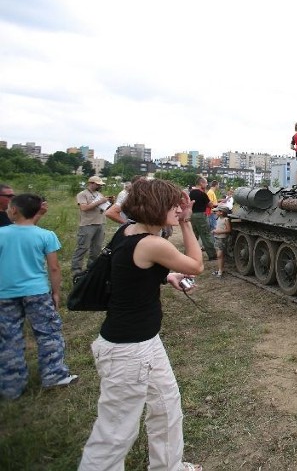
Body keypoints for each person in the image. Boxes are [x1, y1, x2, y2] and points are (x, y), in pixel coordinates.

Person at [78, 179, 203, 470]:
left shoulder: (128, 231)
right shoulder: (152, 242)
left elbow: (128, 270)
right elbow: (196, 265)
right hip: (128, 351)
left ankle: (169, 466)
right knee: (115, 434)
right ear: (156, 206)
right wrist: (186, 223)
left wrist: (165, 276)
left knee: (166, 406)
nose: (178, 208)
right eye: (173, 204)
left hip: (145, 342)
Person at [0, 194, 77, 400]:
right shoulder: (46, 235)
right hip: (37, 291)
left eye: (9, 207)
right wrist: (56, 292)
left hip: (5, 294)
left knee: (9, 337)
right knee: (48, 333)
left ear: (14, 210)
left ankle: (11, 385)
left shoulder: (1, 234)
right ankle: (54, 374)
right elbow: (54, 267)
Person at [72, 176, 110, 277]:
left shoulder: (99, 194)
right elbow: (83, 208)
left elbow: (103, 208)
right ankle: (76, 269)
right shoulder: (82, 194)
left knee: (96, 248)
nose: (99, 186)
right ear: (91, 183)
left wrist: (109, 202)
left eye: (100, 185)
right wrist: (99, 202)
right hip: (87, 224)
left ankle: (91, 268)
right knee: (83, 247)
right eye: (98, 184)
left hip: (100, 223)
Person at [189, 176, 217, 261]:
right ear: (201, 183)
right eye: (205, 183)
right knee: (206, 235)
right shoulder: (202, 193)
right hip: (201, 215)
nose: (207, 184)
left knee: (193, 235)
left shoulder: (191, 193)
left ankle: (189, 254)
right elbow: (210, 205)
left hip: (192, 215)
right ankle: (212, 255)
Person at [211, 205, 231, 277]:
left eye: (217, 211)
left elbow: (228, 230)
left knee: (220, 255)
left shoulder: (226, 219)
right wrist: (215, 231)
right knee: (219, 255)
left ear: (221, 212)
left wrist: (219, 231)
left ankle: (220, 270)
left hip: (222, 238)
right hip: (217, 238)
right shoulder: (218, 218)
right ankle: (220, 270)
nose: (215, 212)